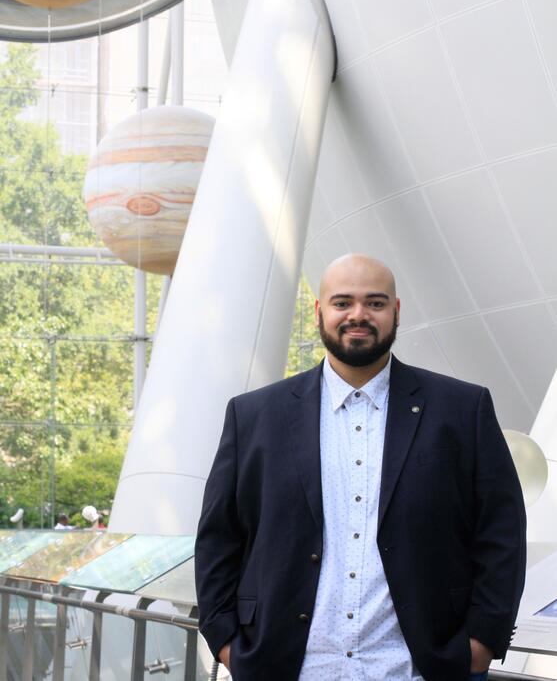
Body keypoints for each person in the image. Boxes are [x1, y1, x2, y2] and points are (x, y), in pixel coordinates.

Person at [195, 254, 526, 681]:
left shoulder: (461, 409)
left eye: (374, 303)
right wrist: (225, 642)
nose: (358, 315)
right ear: (319, 312)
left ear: (396, 311)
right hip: (287, 666)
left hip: (419, 669)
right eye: (342, 303)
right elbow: (219, 539)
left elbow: (501, 532)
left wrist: (482, 641)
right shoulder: (254, 416)